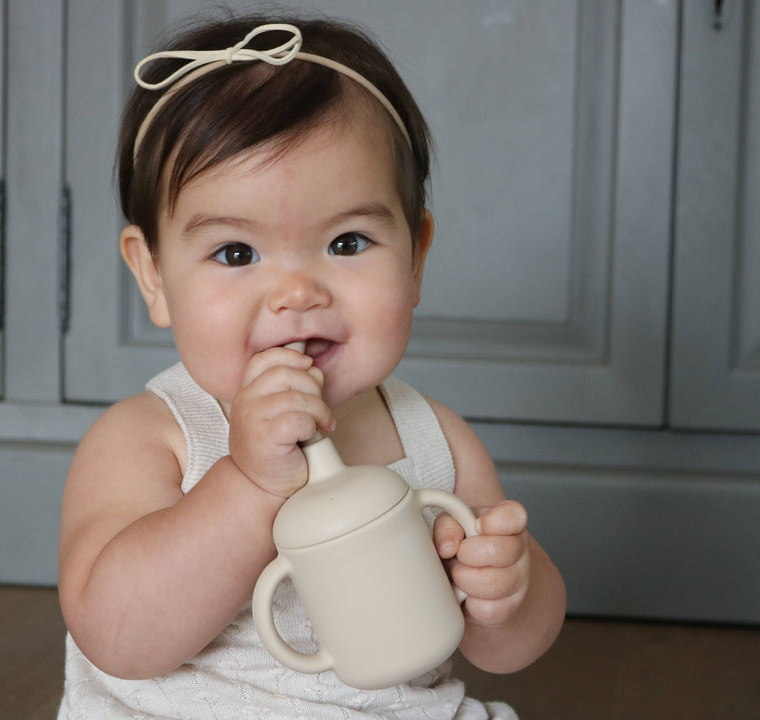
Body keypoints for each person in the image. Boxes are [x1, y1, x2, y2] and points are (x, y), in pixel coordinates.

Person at [57, 11, 566, 719]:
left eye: (349, 242)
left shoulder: (432, 440)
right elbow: (118, 636)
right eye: (236, 254)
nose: (297, 294)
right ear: (153, 277)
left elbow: (507, 650)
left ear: (416, 256)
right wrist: (249, 484)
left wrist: (509, 592)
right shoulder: (153, 439)